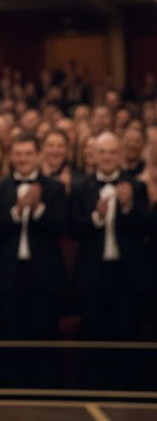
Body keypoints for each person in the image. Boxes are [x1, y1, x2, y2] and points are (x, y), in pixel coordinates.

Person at [69, 131, 150, 340]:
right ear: (94, 155)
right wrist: (97, 217)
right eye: (102, 152)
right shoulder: (80, 187)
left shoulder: (137, 186)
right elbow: (74, 231)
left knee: (127, 333)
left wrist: (128, 207)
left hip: (128, 274)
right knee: (95, 334)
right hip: (92, 273)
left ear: (120, 154)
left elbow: (146, 229)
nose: (107, 157)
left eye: (112, 152)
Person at [0, 134, 67, 339]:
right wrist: (17, 210)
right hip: (8, 274)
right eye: (18, 154)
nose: (23, 158)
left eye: (28, 154)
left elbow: (60, 229)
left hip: (45, 274)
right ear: (11, 157)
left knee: (44, 336)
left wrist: (38, 208)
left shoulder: (54, 188)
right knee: (11, 336)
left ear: (38, 156)